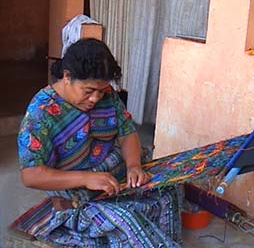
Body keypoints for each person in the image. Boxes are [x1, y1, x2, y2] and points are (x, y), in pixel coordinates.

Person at [12, 38, 182, 247]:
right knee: (128, 221)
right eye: (89, 91)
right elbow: (30, 175)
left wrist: (134, 166)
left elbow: (126, 131)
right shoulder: (41, 114)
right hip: (78, 197)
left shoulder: (106, 95)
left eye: (101, 91)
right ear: (67, 77)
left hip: (114, 178)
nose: (95, 98)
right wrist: (86, 178)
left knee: (169, 192)